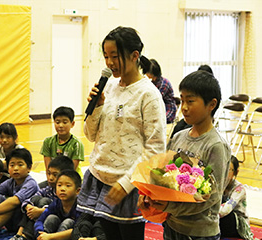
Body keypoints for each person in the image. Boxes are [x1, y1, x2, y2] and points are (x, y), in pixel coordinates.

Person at [77, 26, 166, 240]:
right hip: (100, 179)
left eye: (115, 56)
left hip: (128, 185)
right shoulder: (108, 86)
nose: (109, 63)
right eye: (106, 56)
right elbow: (90, 135)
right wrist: (96, 107)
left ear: (135, 56)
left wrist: (126, 184)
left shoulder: (149, 95)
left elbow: (156, 148)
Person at [139, 70, 231, 239]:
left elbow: (212, 198)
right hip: (172, 225)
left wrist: (170, 206)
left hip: (200, 232)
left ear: (211, 104)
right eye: (182, 101)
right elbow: (163, 174)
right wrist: (149, 195)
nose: (184, 108)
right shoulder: (179, 136)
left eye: (190, 101)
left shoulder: (216, 145)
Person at [11, 156, 75, 240]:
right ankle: (21, 235)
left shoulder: (73, 196)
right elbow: (30, 200)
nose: (50, 178)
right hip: (46, 223)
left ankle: (25, 236)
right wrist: (29, 207)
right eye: (49, 173)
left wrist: (41, 211)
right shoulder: (48, 189)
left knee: (56, 217)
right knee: (35, 201)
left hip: (64, 227)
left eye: (55, 175)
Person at [0, 148, 39, 239]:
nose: (15, 168)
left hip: (25, 224)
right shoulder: (10, 182)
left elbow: (15, 201)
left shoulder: (31, 183)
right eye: (12, 165)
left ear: (29, 168)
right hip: (11, 222)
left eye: (20, 165)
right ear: (7, 168)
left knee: (10, 205)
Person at [34, 169, 81, 240]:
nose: (62, 189)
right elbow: (40, 220)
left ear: (77, 191)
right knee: (51, 218)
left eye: (68, 186)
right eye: (59, 185)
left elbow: (78, 230)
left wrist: (51, 237)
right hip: (50, 236)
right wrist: (41, 234)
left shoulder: (80, 207)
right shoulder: (56, 203)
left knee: (68, 222)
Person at [40, 106, 85, 180]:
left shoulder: (76, 144)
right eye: (57, 122)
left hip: (71, 180)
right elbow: (48, 169)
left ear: (72, 124)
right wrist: (50, 180)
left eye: (65, 122)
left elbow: (71, 170)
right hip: (53, 179)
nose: (60, 125)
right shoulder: (48, 142)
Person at [170, 65, 214, 139]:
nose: (184, 108)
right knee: (178, 127)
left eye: (190, 101)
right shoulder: (194, 87)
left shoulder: (210, 90)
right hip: (191, 118)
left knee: (187, 129)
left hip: (199, 119)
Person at [219, 156, 253, 240]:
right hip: (220, 217)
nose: (224, 172)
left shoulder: (239, 189)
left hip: (237, 224)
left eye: (229, 169)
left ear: (235, 172)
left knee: (226, 215)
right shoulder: (218, 183)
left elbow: (225, 210)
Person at [146, 59, 177, 123]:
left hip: (168, 109)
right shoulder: (153, 82)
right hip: (158, 108)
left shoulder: (164, 83)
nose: (146, 74)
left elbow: (155, 99)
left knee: (157, 121)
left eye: (148, 72)